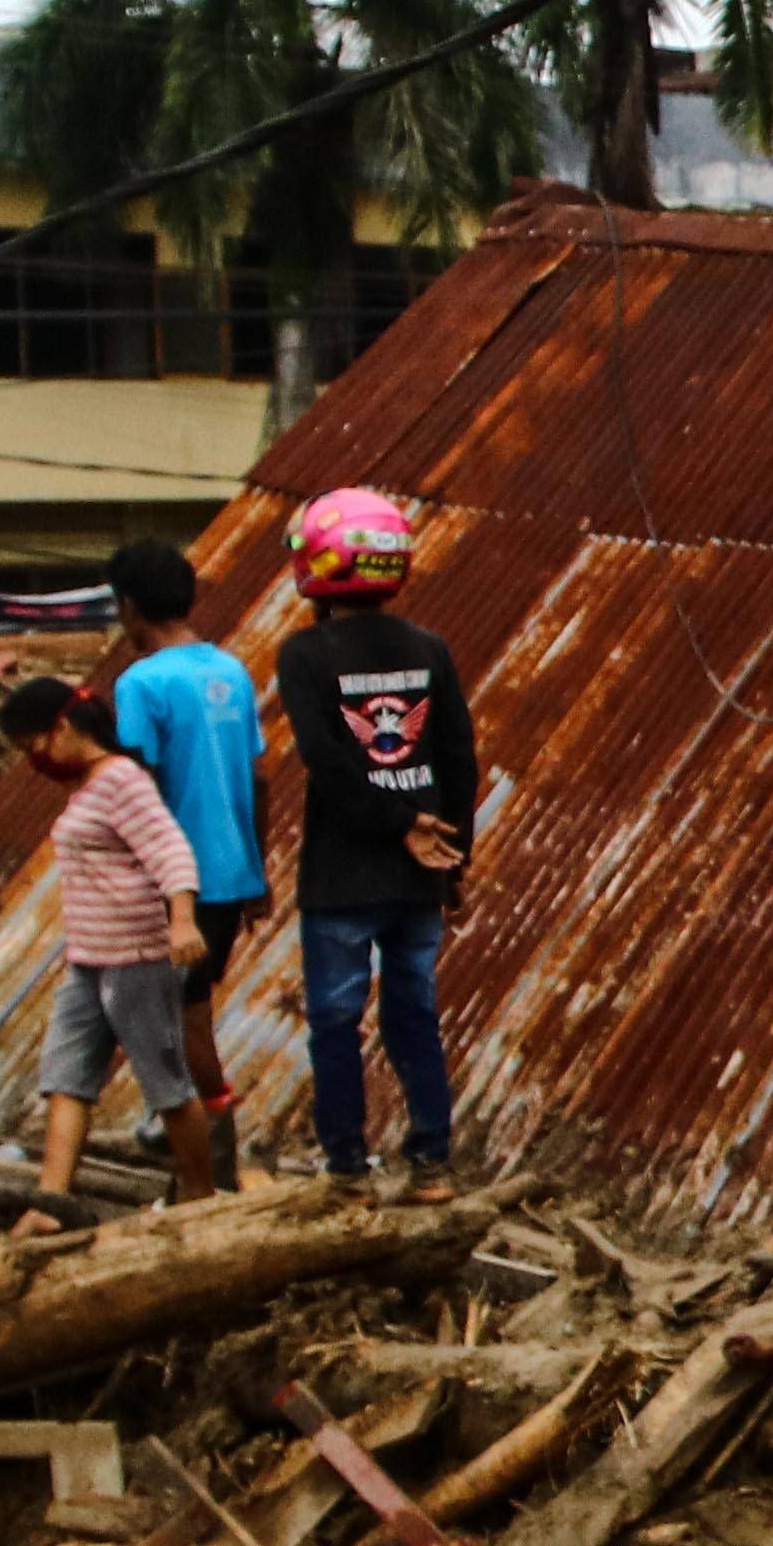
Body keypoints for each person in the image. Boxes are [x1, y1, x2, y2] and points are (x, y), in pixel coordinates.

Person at [271, 486, 472, 1192]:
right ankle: (431, 1163)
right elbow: (457, 759)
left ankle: (349, 1169)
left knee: (335, 1022)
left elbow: (326, 761)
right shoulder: (429, 647)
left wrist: (396, 826)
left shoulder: (303, 654)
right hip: (418, 877)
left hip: (342, 875)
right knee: (414, 1015)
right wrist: (453, 860)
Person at [1, 674, 221, 1207]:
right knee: (65, 1077)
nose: (34, 757)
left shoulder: (121, 780)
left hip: (136, 958)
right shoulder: (88, 786)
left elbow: (169, 848)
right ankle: (51, 1202)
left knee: (166, 1086)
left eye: (34, 742)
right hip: (89, 957)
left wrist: (183, 918)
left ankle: (200, 1194)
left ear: (63, 727)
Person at [101, 535, 268, 1146]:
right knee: (190, 1007)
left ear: (129, 606)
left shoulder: (140, 684)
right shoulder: (231, 670)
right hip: (233, 873)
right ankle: (195, 1132)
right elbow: (256, 778)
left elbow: (136, 787)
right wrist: (259, 872)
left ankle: (208, 1134)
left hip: (175, 879)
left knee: (178, 1014)